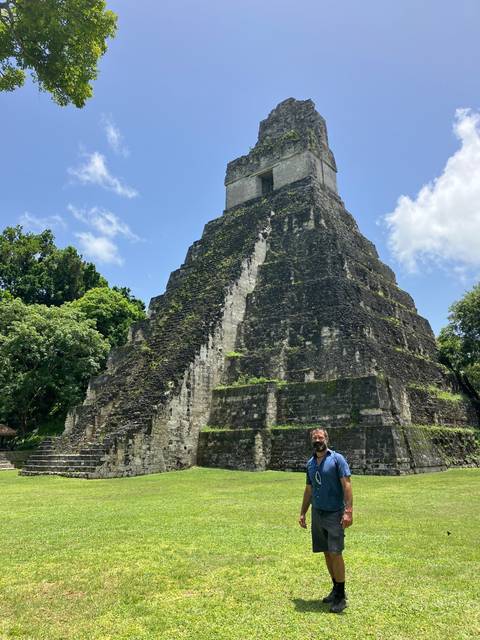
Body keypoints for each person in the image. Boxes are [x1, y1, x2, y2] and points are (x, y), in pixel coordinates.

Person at [298, 427, 353, 613]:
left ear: (326, 439)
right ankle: (335, 589)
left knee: (336, 553)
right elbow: (309, 490)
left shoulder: (337, 459)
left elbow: (347, 485)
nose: (317, 440)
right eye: (314, 438)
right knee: (326, 553)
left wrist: (348, 511)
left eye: (320, 437)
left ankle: (341, 596)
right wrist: (303, 512)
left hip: (335, 513)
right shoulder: (310, 464)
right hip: (318, 513)